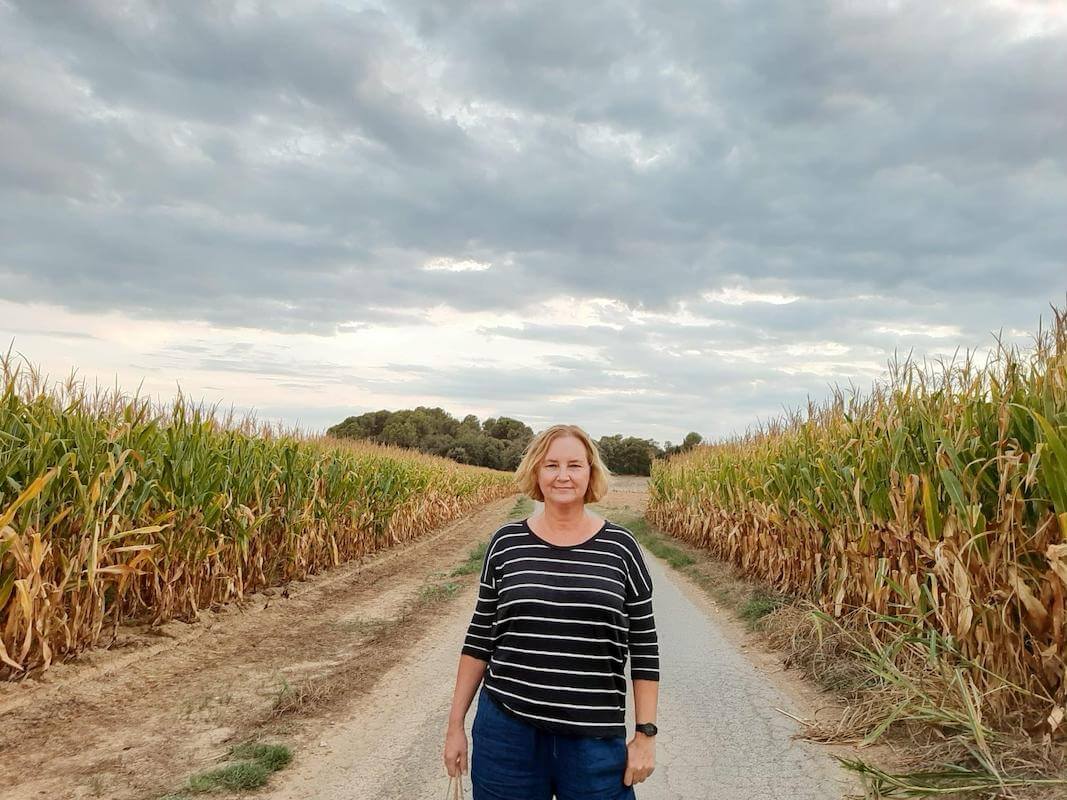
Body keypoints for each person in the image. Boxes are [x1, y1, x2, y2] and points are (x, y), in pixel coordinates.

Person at [442, 423, 660, 799]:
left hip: (593, 742)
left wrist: (645, 735)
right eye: (551, 465)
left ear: (590, 473)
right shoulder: (506, 543)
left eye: (574, 465)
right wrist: (454, 725)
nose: (563, 476)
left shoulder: (621, 548)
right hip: (507, 736)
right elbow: (480, 638)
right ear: (536, 472)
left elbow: (644, 648)